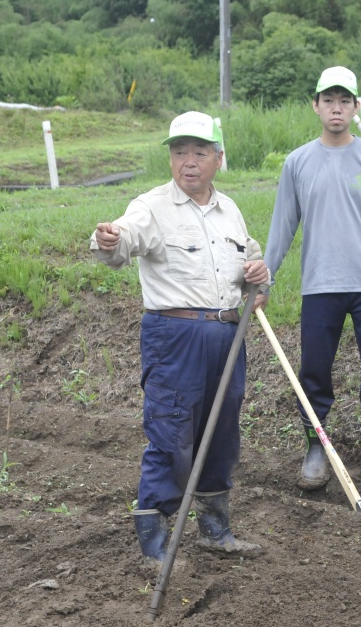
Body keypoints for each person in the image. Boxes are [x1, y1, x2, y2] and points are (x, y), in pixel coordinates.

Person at [90, 112, 270, 567]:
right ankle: (154, 538)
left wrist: (259, 277)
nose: (188, 162)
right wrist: (110, 240)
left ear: (218, 157)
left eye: (199, 152)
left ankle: (214, 529)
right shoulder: (150, 206)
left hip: (228, 333)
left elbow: (251, 260)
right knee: (172, 433)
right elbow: (121, 241)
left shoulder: (230, 210)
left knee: (223, 430)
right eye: (179, 152)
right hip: (174, 336)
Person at [262, 66, 361, 492]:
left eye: (344, 101)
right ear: (315, 106)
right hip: (319, 286)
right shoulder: (297, 162)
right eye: (328, 100)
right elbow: (282, 227)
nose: (336, 108)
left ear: (356, 107)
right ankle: (316, 448)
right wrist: (265, 279)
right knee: (313, 370)